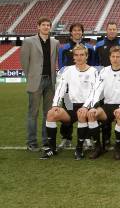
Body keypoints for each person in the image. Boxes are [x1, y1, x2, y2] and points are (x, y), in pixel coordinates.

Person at [40, 44, 98, 160]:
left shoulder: (93, 71)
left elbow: (95, 92)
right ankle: (52, 148)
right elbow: (60, 88)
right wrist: (55, 105)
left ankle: (79, 149)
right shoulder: (68, 70)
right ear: (73, 57)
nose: (79, 57)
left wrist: (86, 106)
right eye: (76, 55)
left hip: (86, 107)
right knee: (51, 114)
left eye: (82, 55)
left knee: (81, 114)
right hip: (71, 108)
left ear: (86, 56)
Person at [84, 46, 120, 160]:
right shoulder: (104, 71)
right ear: (109, 57)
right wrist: (91, 107)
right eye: (113, 56)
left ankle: (117, 147)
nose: (115, 59)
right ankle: (98, 147)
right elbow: (96, 90)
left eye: (118, 56)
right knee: (91, 115)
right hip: (107, 106)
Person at [20, 17, 59, 151]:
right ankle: (31, 142)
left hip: (50, 81)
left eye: (48, 25)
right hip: (36, 80)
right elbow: (25, 62)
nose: (46, 27)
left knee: (48, 113)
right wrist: (31, 77)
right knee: (33, 113)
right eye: (43, 25)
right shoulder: (29, 41)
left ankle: (46, 141)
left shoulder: (55, 42)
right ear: (38, 26)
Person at [57, 22, 95, 150]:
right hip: (69, 89)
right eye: (75, 30)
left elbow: (94, 65)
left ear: (82, 33)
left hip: (85, 88)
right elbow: (61, 67)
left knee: (86, 112)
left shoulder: (89, 48)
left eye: (79, 30)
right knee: (68, 115)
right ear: (71, 32)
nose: (77, 32)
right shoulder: (64, 48)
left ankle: (87, 138)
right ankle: (66, 138)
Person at [95, 22, 120, 148]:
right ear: (106, 30)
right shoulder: (99, 45)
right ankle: (106, 138)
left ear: (117, 30)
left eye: (114, 29)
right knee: (104, 114)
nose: (112, 31)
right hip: (106, 81)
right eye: (110, 29)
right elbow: (95, 61)